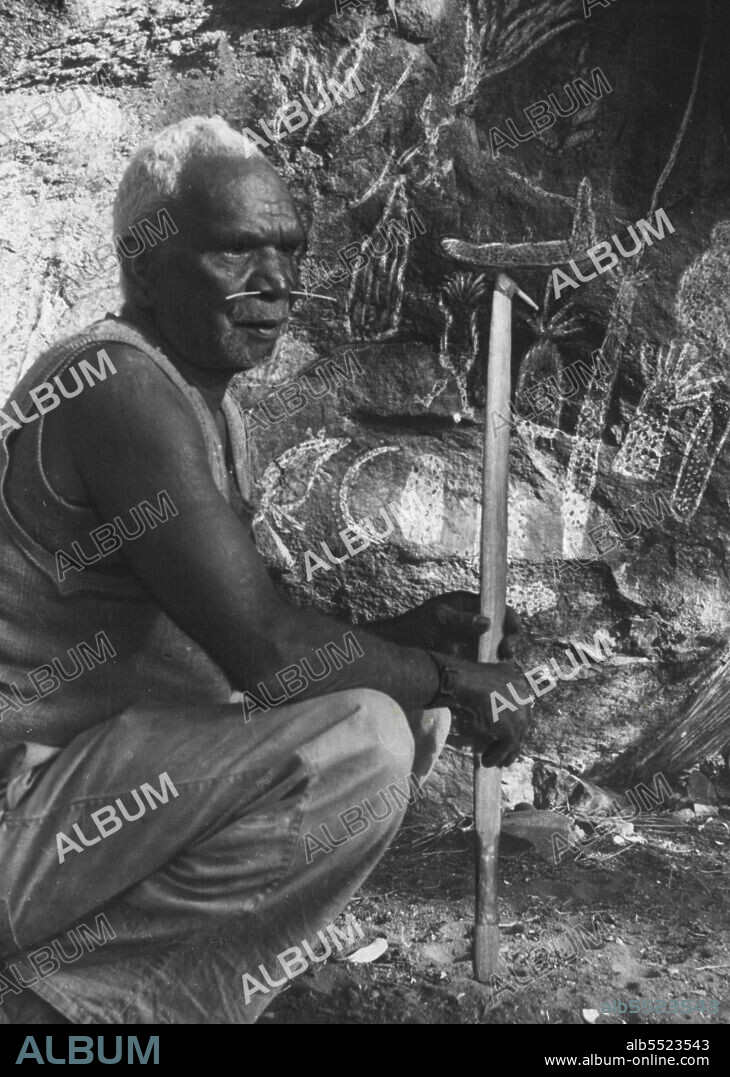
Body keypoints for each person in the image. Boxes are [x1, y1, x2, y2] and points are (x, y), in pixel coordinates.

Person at [0, 116, 530, 1024]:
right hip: (26, 807)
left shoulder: (202, 398)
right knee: (362, 736)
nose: (277, 284)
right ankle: (71, 1009)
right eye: (237, 253)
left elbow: (242, 624)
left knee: (401, 704)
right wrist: (453, 675)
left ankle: (106, 985)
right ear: (145, 259)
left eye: (288, 251)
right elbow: (266, 650)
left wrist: (411, 648)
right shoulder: (115, 389)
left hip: (85, 795)